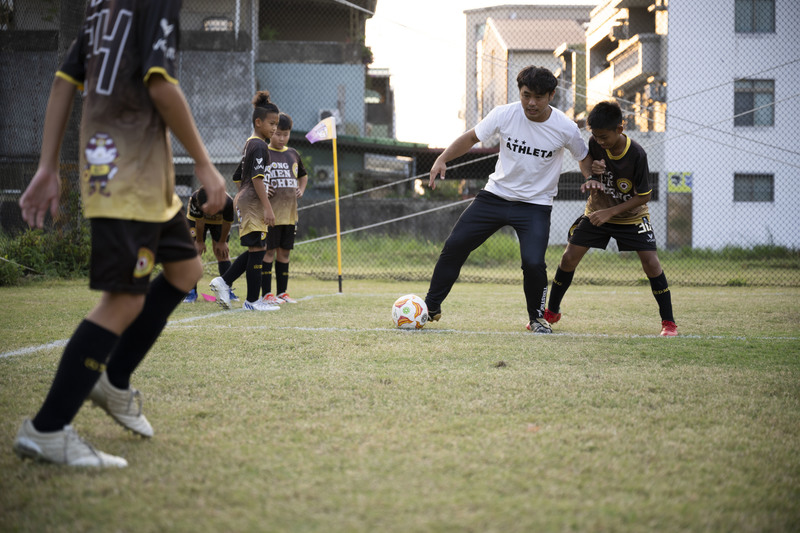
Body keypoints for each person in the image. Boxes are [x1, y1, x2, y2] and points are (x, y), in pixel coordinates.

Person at [13, 0, 227, 467]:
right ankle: (48, 428)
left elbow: (63, 81)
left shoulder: (101, 5)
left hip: (146, 178)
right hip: (124, 174)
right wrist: (207, 164)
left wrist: (49, 165)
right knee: (124, 300)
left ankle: (114, 379)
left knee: (186, 270)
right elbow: (161, 84)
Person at [424, 66, 594, 333]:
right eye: (526, 95)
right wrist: (442, 158)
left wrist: (588, 177)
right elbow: (471, 137)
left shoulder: (565, 127)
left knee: (534, 262)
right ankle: (430, 308)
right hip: (495, 196)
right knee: (455, 245)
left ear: (551, 95)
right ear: (520, 92)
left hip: (535, 205)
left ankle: (537, 318)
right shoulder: (504, 114)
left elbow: (583, 156)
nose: (531, 103)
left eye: (539, 97)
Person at [545, 101, 677, 336]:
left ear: (620, 129)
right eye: (595, 136)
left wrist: (611, 212)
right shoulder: (595, 143)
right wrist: (590, 176)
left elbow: (644, 196)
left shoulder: (637, 154)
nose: (600, 141)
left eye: (604, 136)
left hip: (631, 216)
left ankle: (668, 323)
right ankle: (551, 312)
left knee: (651, 263)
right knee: (568, 258)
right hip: (596, 211)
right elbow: (584, 161)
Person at [209, 91, 280, 311]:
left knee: (256, 248)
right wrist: (265, 206)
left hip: (247, 200)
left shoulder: (250, 144)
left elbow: (238, 176)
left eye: (276, 124)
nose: (275, 128)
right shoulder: (259, 145)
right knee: (258, 248)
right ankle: (252, 301)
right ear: (258, 122)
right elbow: (257, 178)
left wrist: (244, 194)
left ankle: (224, 281)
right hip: (252, 203)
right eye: (271, 123)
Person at [261, 112, 308, 305]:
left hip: (289, 215)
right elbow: (253, 178)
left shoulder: (293, 153)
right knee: (268, 252)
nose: (281, 138)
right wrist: (264, 188)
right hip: (270, 215)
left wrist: (301, 189)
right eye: (278, 133)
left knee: (284, 253)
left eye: (285, 134)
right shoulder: (264, 152)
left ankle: (282, 292)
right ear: (271, 131)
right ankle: (267, 293)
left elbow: (303, 175)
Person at [183, 186, 237, 303]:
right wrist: (200, 241)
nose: (209, 212)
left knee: (222, 253)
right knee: (194, 252)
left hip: (220, 221)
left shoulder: (227, 202)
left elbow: (227, 223)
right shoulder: (195, 199)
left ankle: (226, 290)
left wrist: (222, 242)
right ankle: (191, 292)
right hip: (197, 220)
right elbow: (200, 222)